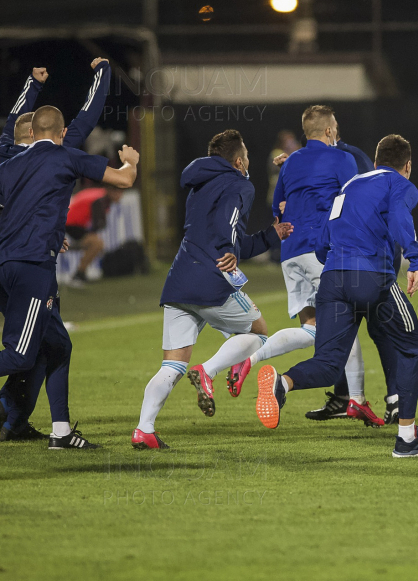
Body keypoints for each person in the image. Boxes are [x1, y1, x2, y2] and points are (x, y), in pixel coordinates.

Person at [254, 134, 418, 458]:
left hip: (331, 280)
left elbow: (324, 238)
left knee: (327, 363)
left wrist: (337, 266)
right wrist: (415, 258)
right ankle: (407, 437)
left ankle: (282, 384)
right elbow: (400, 217)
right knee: (412, 342)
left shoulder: (349, 186)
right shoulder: (399, 184)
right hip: (369, 276)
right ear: (407, 166)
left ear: (376, 157)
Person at [131, 130, 292, 449]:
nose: (247, 162)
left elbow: (234, 239)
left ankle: (143, 429)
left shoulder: (199, 181)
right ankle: (207, 371)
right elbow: (230, 231)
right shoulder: (241, 184)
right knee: (259, 333)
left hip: (180, 276)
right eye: (245, 156)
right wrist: (227, 247)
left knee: (173, 364)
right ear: (238, 160)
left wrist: (270, 235)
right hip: (213, 274)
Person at [228, 106, 383, 427]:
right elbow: (355, 198)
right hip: (320, 250)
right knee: (346, 324)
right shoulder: (342, 159)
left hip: (291, 253)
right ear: (329, 131)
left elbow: (278, 209)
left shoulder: (291, 160)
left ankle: (250, 360)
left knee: (312, 329)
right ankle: (356, 400)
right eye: (335, 127)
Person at [0, 105, 138, 449]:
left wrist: (48, 231)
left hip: (6, 263)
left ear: (31, 133)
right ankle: (34, 424)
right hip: (33, 268)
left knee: (59, 346)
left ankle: (60, 432)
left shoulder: (11, 165)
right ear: (62, 133)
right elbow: (124, 180)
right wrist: (131, 159)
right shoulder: (65, 156)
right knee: (20, 356)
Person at [64, 185, 124, 286]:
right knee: (97, 244)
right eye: (119, 192)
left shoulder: (101, 195)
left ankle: (80, 270)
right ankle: (79, 274)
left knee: (96, 243)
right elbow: (98, 224)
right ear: (111, 191)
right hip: (71, 224)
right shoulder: (101, 199)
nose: (121, 195)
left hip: (73, 223)